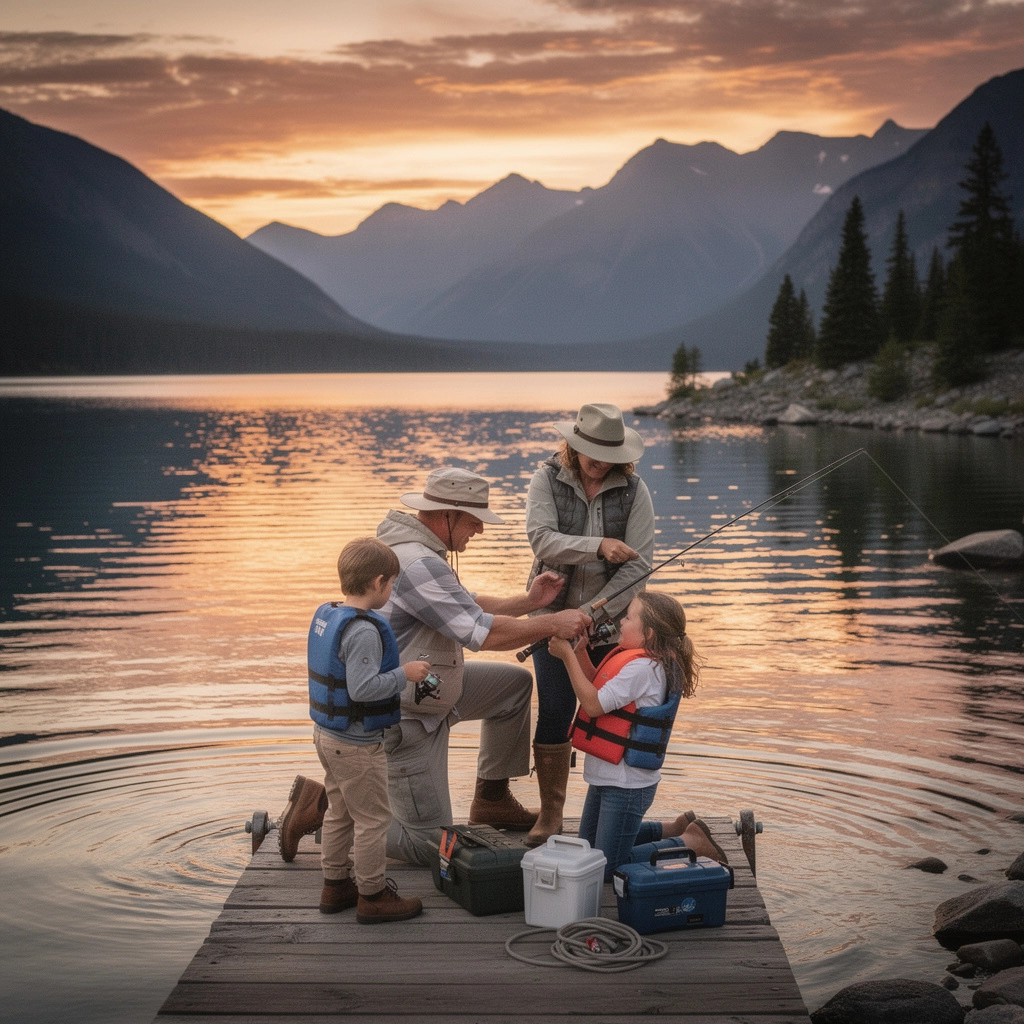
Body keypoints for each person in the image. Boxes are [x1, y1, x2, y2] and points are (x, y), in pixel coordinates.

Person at [374, 467, 593, 866]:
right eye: (474, 521)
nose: (479, 530)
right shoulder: (418, 562)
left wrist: (530, 603)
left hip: (430, 687)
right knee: (431, 846)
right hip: (405, 713)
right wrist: (553, 623)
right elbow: (483, 635)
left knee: (513, 687)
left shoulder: (420, 551)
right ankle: (326, 808)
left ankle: (492, 800)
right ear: (448, 515)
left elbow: (467, 604)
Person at [523, 403, 655, 846]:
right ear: (573, 445)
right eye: (591, 451)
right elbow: (542, 540)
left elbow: (639, 566)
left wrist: (592, 612)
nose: (598, 461)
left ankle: (609, 809)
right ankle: (551, 814)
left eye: (607, 453)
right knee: (555, 710)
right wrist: (598, 546)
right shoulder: (546, 479)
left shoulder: (636, 491)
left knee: (613, 713)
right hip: (549, 619)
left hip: (612, 625)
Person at [548, 590, 726, 879]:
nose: (621, 622)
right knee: (587, 851)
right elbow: (599, 688)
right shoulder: (637, 661)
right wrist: (579, 652)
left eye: (629, 618)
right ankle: (672, 828)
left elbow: (593, 705)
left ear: (648, 634)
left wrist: (566, 656)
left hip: (627, 784)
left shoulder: (644, 668)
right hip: (608, 777)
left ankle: (689, 843)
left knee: (607, 867)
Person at [299, 537, 429, 923]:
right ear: (378, 582)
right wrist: (405, 674)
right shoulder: (364, 631)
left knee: (340, 812)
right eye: (392, 584)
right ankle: (372, 895)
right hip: (356, 745)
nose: (391, 591)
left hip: (328, 736)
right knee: (373, 820)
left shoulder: (331, 616)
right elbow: (362, 689)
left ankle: (335, 884)